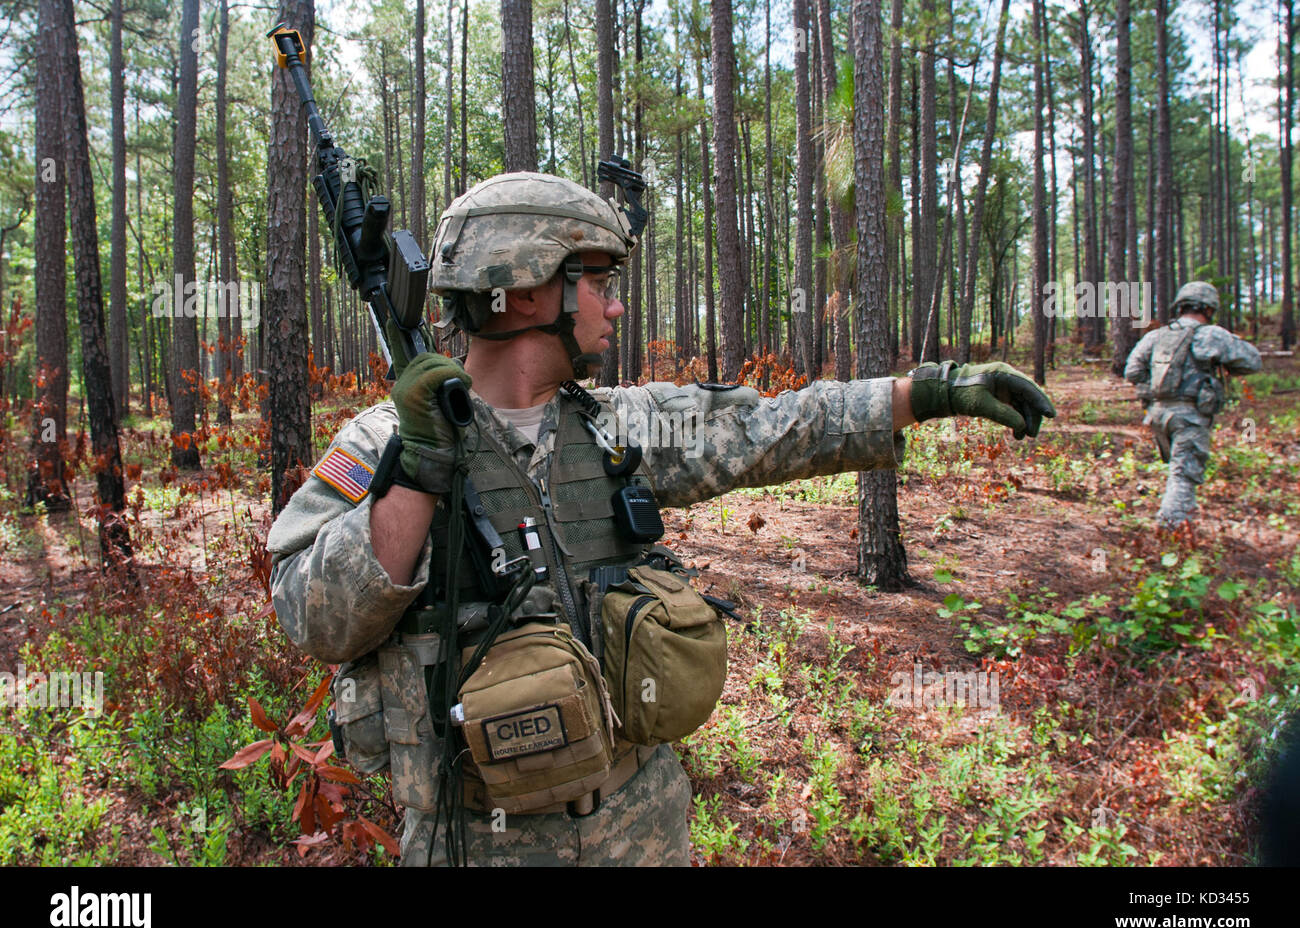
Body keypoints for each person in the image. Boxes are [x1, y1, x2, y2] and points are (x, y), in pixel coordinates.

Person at [267, 171, 1056, 867]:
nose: (614, 305)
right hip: (477, 844)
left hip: (640, 829)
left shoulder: (618, 424)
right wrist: (417, 473)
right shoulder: (382, 445)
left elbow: (771, 427)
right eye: (599, 279)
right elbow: (311, 618)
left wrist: (932, 392)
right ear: (531, 285)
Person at [1124, 281, 1261, 529]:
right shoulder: (1210, 334)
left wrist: (1155, 391)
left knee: (1177, 470)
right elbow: (1251, 361)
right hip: (1190, 416)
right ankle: (1171, 531)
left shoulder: (1157, 335)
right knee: (1183, 474)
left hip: (1158, 415)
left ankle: (1177, 525)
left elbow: (1132, 370)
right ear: (1209, 309)